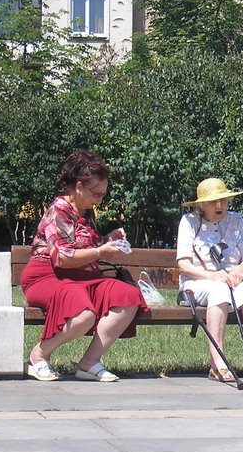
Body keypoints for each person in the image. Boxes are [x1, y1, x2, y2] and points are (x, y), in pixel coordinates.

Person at [20, 150, 147, 382]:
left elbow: (84, 247)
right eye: (97, 194)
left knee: (128, 296)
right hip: (48, 276)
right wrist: (100, 251)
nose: (100, 199)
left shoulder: (86, 211)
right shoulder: (58, 210)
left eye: (102, 194)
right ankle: (38, 356)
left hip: (81, 277)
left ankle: (89, 363)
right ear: (79, 187)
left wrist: (108, 239)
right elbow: (62, 257)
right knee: (83, 315)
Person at [177, 178, 243, 382]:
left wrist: (240, 269)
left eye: (223, 200)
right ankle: (218, 365)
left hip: (232, 279)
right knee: (219, 292)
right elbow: (184, 265)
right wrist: (212, 276)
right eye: (213, 201)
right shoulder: (189, 221)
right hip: (198, 281)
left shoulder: (236, 220)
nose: (219, 205)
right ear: (201, 204)